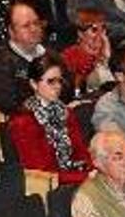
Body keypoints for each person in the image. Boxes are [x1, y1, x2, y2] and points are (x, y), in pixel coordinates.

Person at [7, 57, 92, 185]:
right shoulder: (23, 122)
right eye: (51, 81)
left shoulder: (66, 113)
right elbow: (42, 172)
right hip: (51, 187)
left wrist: (93, 171)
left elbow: (81, 153)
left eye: (60, 81)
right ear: (34, 84)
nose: (57, 86)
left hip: (76, 176)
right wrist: (84, 177)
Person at [0, 1, 72, 115]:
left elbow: (68, 89)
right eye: (26, 26)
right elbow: (8, 105)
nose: (33, 29)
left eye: (36, 23)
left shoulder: (52, 55)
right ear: (11, 32)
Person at [60, 9, 113, 93]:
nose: (100, 35)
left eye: (103, 29)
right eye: (94, 30)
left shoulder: (106, 51)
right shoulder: (68, 56)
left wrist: (107, 59)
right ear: (80, 33)